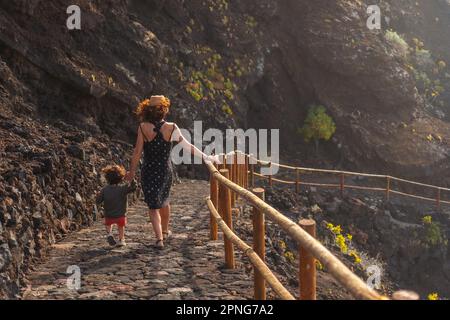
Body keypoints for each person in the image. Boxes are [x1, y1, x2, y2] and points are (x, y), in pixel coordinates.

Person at [125, 95, 218, 249]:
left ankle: (159, 238)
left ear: (147, 110)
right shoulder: (172, 127)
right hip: (165, 170)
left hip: (149, 170)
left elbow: (137, 152)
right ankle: (166, 230)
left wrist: (132, 172)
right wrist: (206, 157)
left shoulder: (143, 127)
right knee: (165, 200)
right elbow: (188, 146)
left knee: (153, 206)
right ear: (164, 110)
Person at [96, 165, 137, 247]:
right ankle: (121, 239)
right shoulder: (122, 189)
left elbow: (98, 201)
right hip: (121, 215)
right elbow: (133, 187)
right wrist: (131, 178)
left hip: (109, 215)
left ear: (107, 178)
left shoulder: (104, 190)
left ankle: (109, 234)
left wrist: (97, 196)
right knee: (121, 227)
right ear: (121, 178)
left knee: (108, 224)